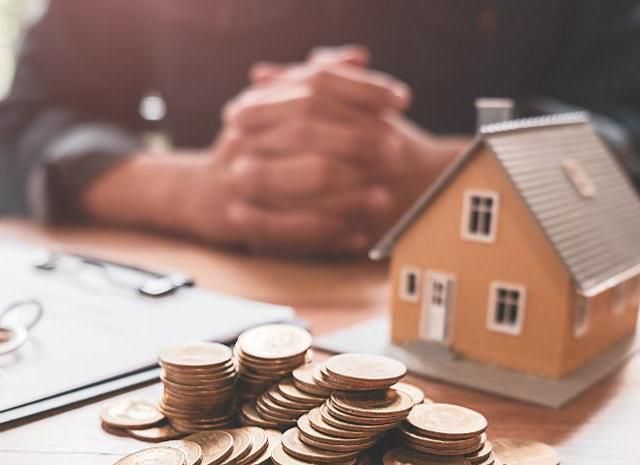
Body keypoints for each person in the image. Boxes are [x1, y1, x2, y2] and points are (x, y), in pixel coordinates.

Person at [0, 0, 638, 257]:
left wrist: (453, 182)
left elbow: (627, 127)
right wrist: (198, 193)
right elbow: (26, 123)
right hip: (199, 326)